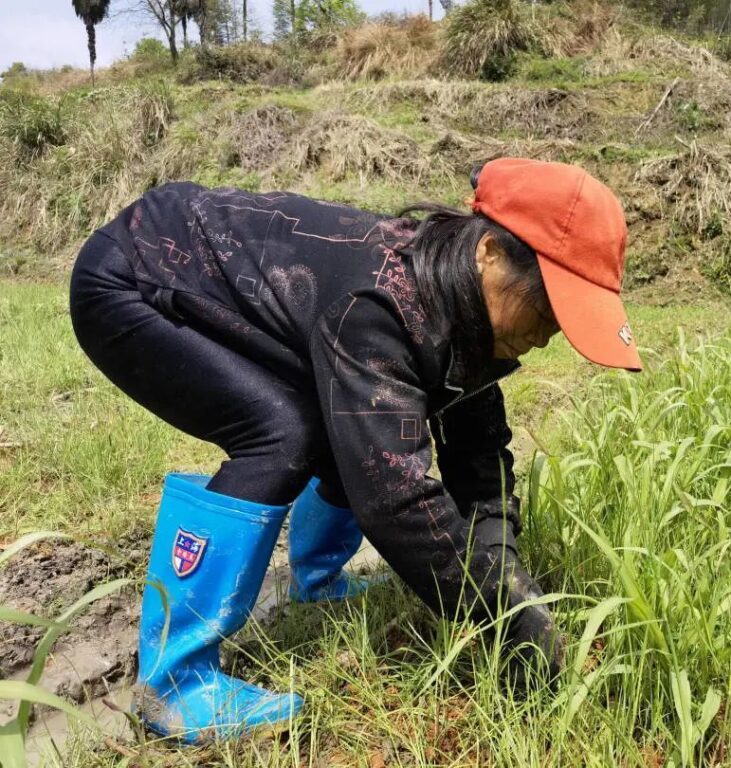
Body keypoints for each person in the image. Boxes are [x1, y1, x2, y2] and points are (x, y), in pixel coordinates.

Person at [68, 158, 642, 744]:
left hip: (213, 282)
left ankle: (314, 579)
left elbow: (480, 461)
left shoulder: (467, 313)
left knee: (352, 422)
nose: (547, 335)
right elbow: (396, 499)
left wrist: (507, 569)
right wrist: (508, 619)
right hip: (137, 277)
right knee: (284, 434)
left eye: (563, 321)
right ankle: (174, 686)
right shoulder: (379, 305)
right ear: (489, 253)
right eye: (546, 307)